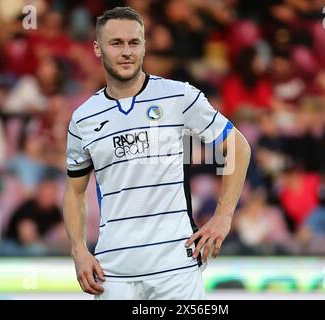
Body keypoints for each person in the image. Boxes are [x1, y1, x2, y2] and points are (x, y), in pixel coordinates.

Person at [63, 6, 251, 300]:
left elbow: (238, 146)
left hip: (175, 268)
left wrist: (223, 217)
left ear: (144, 46)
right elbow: (75, 192)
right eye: (116, 43)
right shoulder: (83, 119)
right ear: (98, 49)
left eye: (134, 42)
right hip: (113, 272)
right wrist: (78, 250)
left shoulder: (179, 97)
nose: (126, 52)